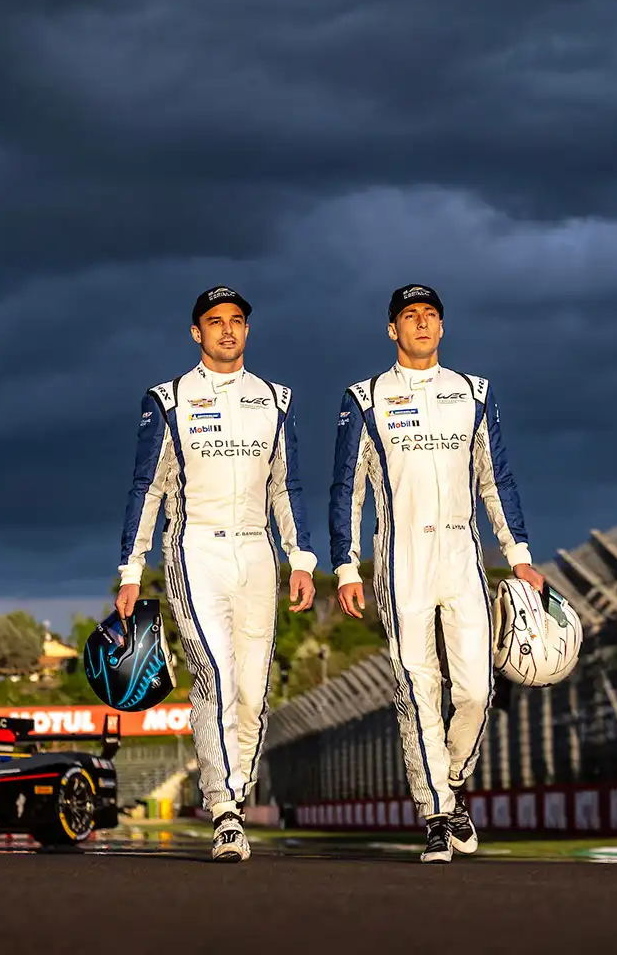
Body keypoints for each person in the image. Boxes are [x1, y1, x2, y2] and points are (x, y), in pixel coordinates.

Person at [327, 284, 543, 863]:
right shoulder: (365, 397)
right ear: (392, 330)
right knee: (418, 688)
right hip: (401, 561)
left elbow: (498, 479)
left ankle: (449, 783)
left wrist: (518, 553)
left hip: (463, 558)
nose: (420, 324)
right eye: (408, 317)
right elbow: (345, 490)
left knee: (475, 688)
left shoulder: (473, 392)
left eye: (430, 316)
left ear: (442, 328)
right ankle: (437, 816)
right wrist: (345, 567)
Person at [117, 285, 316, 863]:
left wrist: (301, 560)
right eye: (214, 321)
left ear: (247, 331)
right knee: (218, 681)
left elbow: (287, 486)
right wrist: (133, 568)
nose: (226, 329)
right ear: (196, 333)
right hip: (193, 548)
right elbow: (146, 488)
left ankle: (235, 792)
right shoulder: (168, 399)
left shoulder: (276, 399)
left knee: (253, 695)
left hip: (258, 553)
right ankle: (226, 811)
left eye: (236, 321)